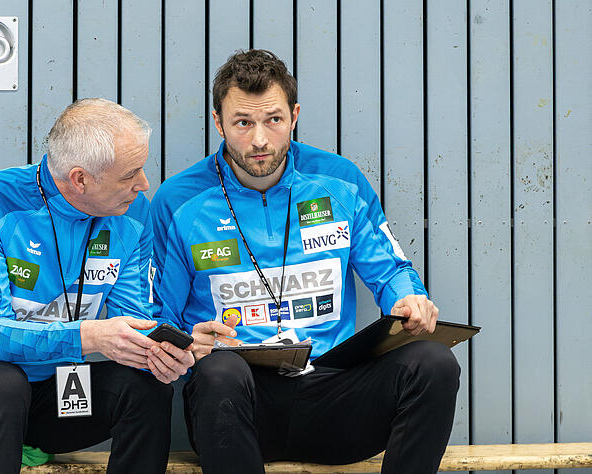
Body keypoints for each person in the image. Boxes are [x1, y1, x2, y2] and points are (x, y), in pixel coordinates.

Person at [150, 50, 459, 473]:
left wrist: (409, 300)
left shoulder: (340, 180)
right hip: (237, 404)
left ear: (293, 116)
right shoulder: (179, 199)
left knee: (434, 362)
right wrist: (188, 341)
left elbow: (391, 271)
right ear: (218, 123)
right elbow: (155, 320)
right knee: (218, 371)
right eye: (243, 122)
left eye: (273, 120)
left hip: (334, 393)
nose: (259, 140)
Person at [0, 98, 194, 474]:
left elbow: (132, 321)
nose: (144, 185)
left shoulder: (134, 213)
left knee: (145, 388)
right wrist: (91, 337)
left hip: (45, 392)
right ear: (80, 179)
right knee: (3, 382)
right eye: (131, 174)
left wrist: (163, 351)